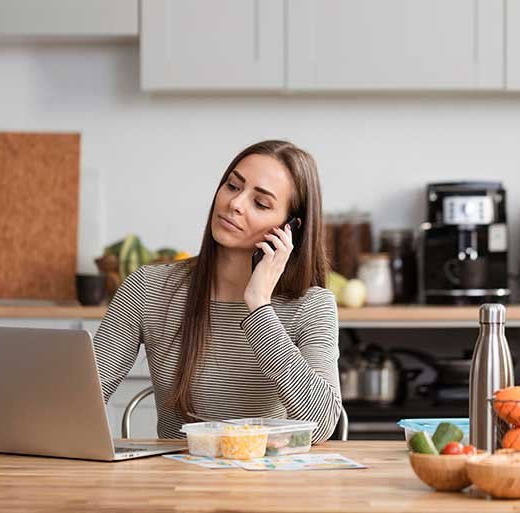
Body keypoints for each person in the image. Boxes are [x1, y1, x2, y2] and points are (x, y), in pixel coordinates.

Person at [93, 140, 342, 444]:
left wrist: (260, 307)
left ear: (290, 228)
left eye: (260, 203)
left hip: (268, 484)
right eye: (233, 186)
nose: (235, 204)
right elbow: (83, 396)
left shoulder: (311, 305)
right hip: (174, 482)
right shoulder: (148, 288)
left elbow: (322, 424)